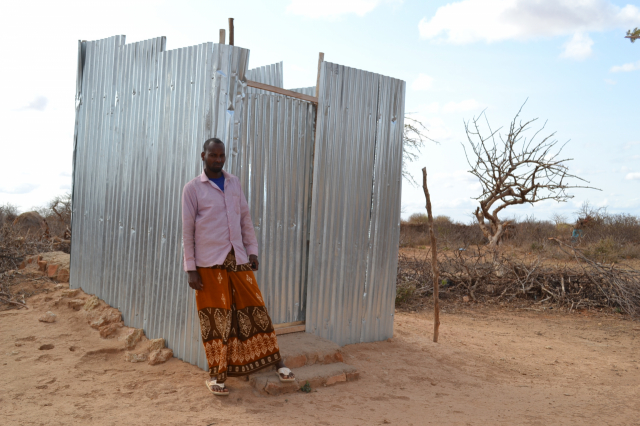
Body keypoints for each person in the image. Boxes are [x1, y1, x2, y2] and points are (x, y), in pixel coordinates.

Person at [182, 137, 295, 396]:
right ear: (203, 156)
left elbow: (245, 218)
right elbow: (187, 232)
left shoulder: (234, 183)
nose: (218, 160)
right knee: (216, 319)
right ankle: (216, 376)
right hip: (208, 263)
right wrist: (191, 269)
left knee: (256, 308)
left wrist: (252, 251)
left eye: (221, 155)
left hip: (237, 257)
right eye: (213, 155)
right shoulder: (192, 189)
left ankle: (278, 363)